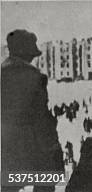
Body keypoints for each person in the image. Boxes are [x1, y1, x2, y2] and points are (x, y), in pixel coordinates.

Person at [1, 30, 64, 192]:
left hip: (7, 144)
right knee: (47, 180)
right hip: (33, 144)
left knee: (9, 185)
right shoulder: (35, 76)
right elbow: (40, 116)